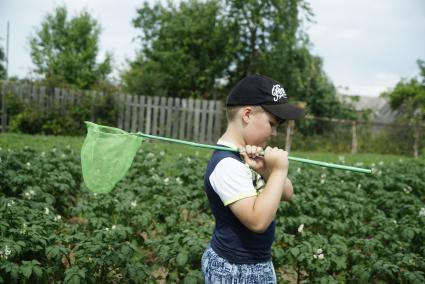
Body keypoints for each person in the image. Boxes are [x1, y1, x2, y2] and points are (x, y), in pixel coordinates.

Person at [201, 74, 304, 283]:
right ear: (247, 114)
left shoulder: (250, 156)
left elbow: (288, 193)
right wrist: (277, 171)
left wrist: (268, 170)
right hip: (236, 269)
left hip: (255, 263)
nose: (275, 133)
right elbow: (257, 222)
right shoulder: (227, 165)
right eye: (272, 123)